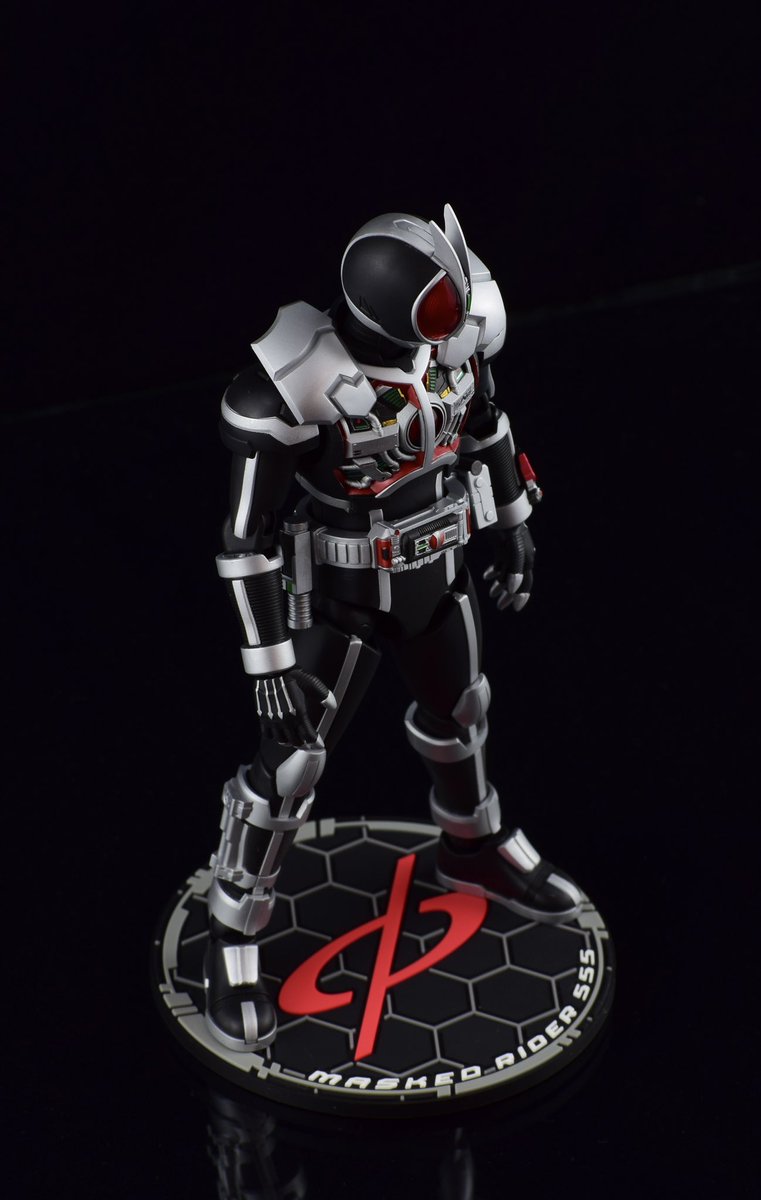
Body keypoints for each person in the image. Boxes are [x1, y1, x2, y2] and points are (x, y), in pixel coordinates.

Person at [204, 206, 583, 1053]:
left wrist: (513, 524)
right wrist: (267, 661)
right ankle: (231, 930)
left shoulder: (453, 348)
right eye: (438, 305)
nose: (456, 322)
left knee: (462, 713)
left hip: (438, 573)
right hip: (339, 596)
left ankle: (472, 846)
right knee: (292, 764)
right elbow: (244, 540)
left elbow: (485, 426)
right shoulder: (295, 380)